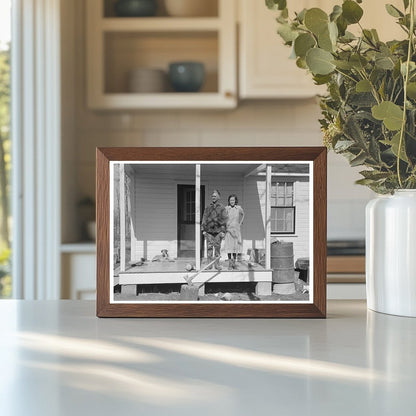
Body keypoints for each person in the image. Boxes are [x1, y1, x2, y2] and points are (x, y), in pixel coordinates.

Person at [201, 189, 228, 270]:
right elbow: (204, 218)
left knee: (217, 248)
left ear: (219, 197)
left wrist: (223, 231)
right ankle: (209, 265)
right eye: (212, 196)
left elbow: (224, 220)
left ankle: (217, 265)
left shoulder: (222, 208)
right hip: (209, 231)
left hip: (218, 231)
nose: (213, 197)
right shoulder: (208, 207)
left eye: (215, 196)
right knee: (209, 248)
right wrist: (203, 230)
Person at [224, 194, 245, 270]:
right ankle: (230, 263)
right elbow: (223, 217)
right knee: (229, 247)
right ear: (229, 201)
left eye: (233, 200)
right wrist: (225, 225)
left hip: (236, 230)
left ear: (235, 201)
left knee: (235, 247)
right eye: (230, 200)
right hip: (229, 230)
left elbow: (243, 214)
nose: (232, 201)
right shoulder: (227, 208)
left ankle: (234, 264)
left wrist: (240, 223)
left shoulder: (238, 208)